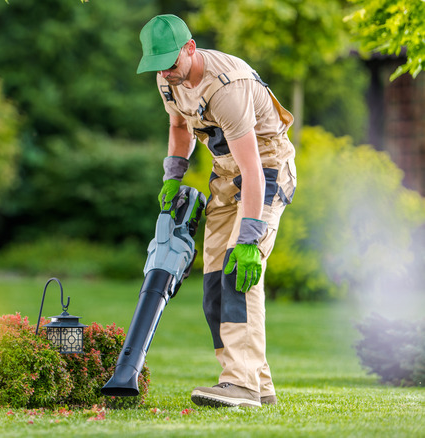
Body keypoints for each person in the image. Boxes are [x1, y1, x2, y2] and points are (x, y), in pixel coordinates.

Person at [137, 14, 297, 408]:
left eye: (172, 64)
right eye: (159, 67)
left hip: (265, 169)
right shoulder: (167, 77)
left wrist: (249, 237)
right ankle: (258, 384)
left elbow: (254, 169)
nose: (167, 74)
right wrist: (173, 175)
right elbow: (179, 127)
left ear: (190, 48)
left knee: (238, 273)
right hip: (225, 175)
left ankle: (240, 384)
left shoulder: (227, 86)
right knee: (213, 286)